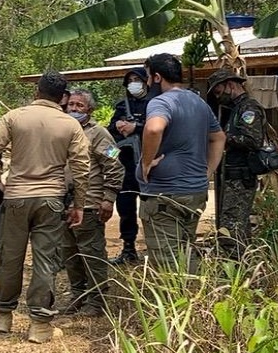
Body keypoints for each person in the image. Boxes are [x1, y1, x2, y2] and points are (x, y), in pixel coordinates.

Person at [0, 71, 91, 344]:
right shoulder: (70, 125)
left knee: (9, 257)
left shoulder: (14, 117)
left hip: (16, 196)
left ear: (36, 91)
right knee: (45, 261)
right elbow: (81, 168)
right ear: (63, 98)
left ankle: (3, 319)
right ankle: (39, 325)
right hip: (51, 200)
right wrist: (79, 203)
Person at [137, 54, 226, 270]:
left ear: (157, 77)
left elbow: (154, 128)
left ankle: (177, 302)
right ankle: (197, 299)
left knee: (168, 263)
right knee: (185, 252)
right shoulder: (198, 102)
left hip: (165, 196)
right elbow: (219, 137)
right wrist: (207, 171)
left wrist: (146, 162)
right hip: (194, 192)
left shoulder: (161, 102)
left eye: (148, 77)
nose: (147, 83)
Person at [60, 89, 125, 317]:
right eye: (71, 105)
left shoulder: (99, 134)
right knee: (69, 252)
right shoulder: (63, 130)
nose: (74, 109)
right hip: (64, 203)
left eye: (79, 105)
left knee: (91, 252)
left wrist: (108, 198)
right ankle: (77, 294)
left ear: (89, 109)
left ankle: (96, 299)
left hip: (89, 203)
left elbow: (115, 165)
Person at [207, 68, 266, 258]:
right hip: (232, 176)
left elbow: (253, 140)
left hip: (242, 177)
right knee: (237, 225)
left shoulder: (248, 108)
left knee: (231, 227)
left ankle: (235, 270)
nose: (218, 97)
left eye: (218, 92)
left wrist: (223, 138)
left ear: (230, 85)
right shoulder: (235, 109)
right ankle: (244, 265)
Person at [108, 67, 151, 265]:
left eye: (137, 79)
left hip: (150, 168)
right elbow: (109, 141)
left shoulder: (155, 103)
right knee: (126, 210)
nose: (134, 83)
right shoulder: (121, 106)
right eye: (130, 80)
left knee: (151, 210)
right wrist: (118, 127)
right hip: (125, 169)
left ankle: (155, 249)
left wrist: (138, 127)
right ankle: (128, 249)